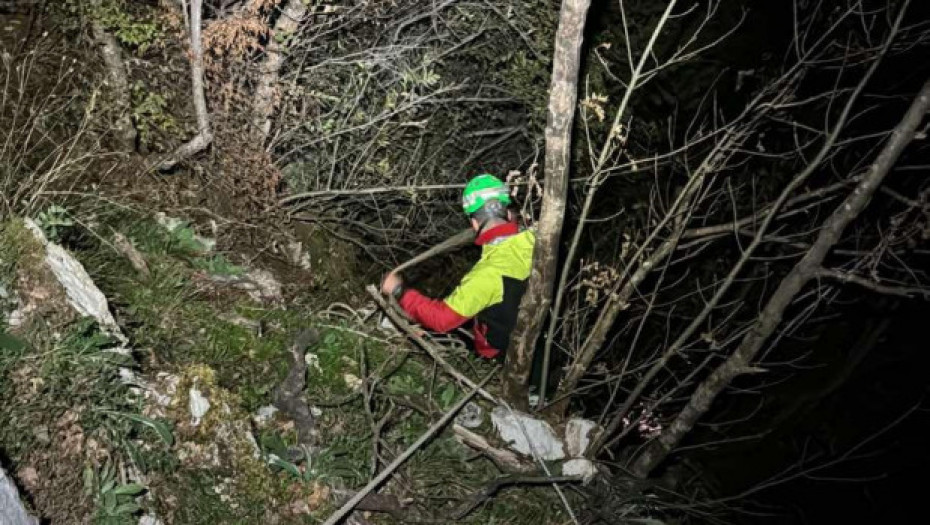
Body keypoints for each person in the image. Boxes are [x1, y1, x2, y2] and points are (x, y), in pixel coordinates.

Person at [380, 174, 534, 360]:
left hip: (504, 358)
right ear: (509, 214)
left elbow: (441, 320)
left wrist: (399, 291)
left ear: (474, 223)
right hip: (544, 353)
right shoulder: (538, 242)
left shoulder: (486, 275)